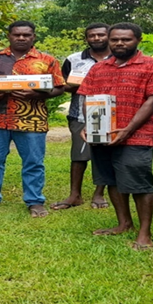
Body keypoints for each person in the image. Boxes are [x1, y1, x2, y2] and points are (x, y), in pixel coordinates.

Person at [77, 22, 153, 250]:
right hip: (103, 134)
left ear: (138, 40)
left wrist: (128, 129)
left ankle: (144, 232)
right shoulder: (99, 68)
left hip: (138, 134)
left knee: (138, 182)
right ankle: (123, 223)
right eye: (115, 39)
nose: (119, 43)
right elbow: (87, 97)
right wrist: (89, 124)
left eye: (126, 39)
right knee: (111, 179)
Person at [0, 21, 65, 218]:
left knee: (33, 161)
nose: (21, 38)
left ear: (34, 37)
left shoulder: (47, 60)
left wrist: (38, 94)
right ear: (9, 36)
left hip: (31, 118)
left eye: (26, 35)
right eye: (17, 35)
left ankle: (34, 201)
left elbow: (59, 87)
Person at [51, 22, 111, 211]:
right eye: (92, 35)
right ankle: (74, 195)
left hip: (112, 112)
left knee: (104, 153)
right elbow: (63, 85)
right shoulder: (74, 59)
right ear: (86, 38)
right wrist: (82, 83)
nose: (96, 38)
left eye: (101, 35)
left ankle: (99, 193)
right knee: (79, 155)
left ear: (108, 36)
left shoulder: (119, 56)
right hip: (80, 113)